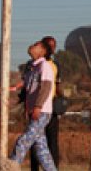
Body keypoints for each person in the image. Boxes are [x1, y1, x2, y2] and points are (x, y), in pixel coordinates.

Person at [9, 40, 57, 171]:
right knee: (42, 151)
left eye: (36, 45)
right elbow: (25, 86)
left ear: (43, 51)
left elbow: (46, 88)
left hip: (42, 112)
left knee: (23, 141)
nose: (31, 46)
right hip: (34, 112)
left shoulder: (44, 66)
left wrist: (38, 106)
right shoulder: (32, 68)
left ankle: (9, 167)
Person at [31, 36, 61, 171]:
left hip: (47, 107)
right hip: (35, 107)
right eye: (49, 45)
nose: (52, 48)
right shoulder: (32, 66)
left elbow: (49, 86)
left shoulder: (51, 66)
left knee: (49, 141)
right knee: (36, 141)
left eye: (53, 46)